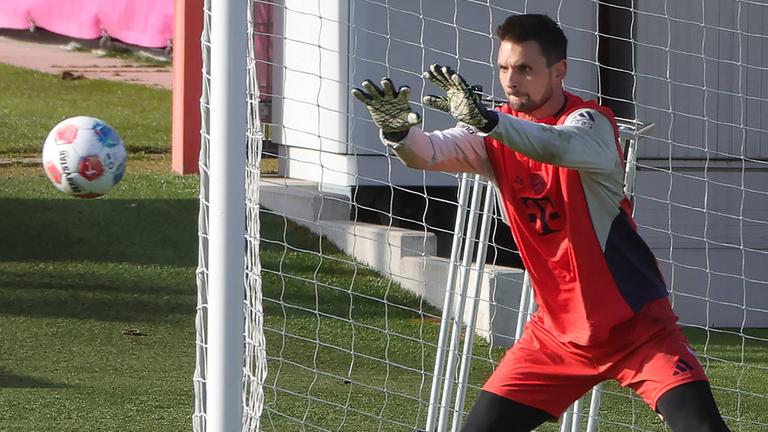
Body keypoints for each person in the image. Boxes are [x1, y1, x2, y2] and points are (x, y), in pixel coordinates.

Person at [351, 13, 731, 432]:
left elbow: (557, 146)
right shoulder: (493, 128)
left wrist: (489, 122)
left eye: (526, 69)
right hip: (555, 336)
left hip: (638, 330)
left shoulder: (592, 124)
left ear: (559, 71)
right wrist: (398, 135)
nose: (511, 80)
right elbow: (430, 152)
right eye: (504, 68)